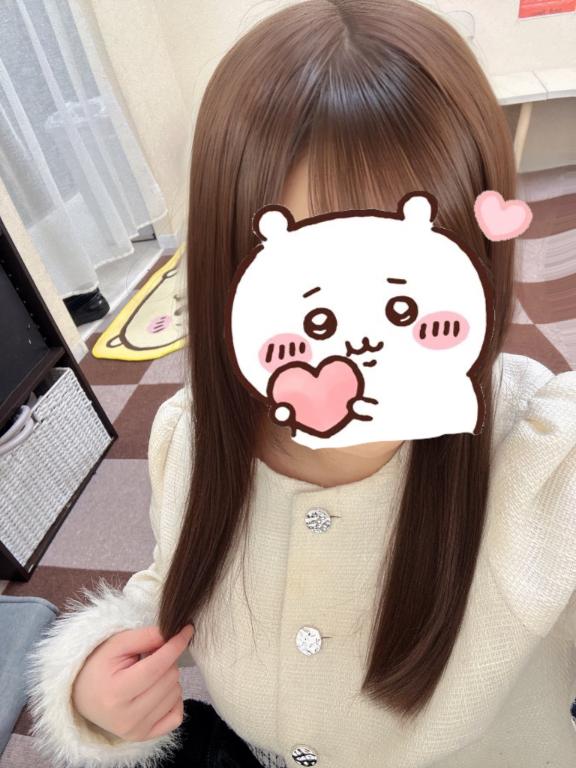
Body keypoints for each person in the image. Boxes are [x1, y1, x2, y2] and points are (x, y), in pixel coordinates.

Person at [24, 1, 576, 767]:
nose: (359, 338)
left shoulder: (547, 462)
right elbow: (180, 579)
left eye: (398, 288)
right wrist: (96, 675)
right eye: (308, 287)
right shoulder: (191, 433)